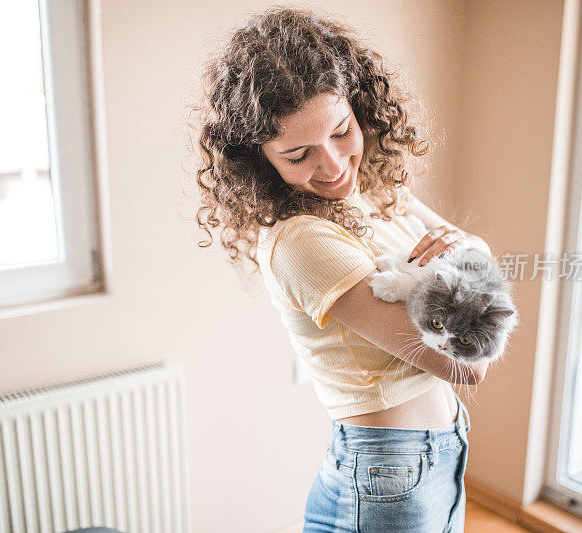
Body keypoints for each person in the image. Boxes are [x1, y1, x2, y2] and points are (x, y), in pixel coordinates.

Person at [192, 7, 492, 532]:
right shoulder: (302, 240)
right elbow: (466, 364)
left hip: (440, 450)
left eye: (341, 131)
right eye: (298, 154)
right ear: (260, 160)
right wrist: (474, 261)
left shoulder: (373, 186)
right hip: (393, 475)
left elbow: (477, 257)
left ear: (358, 108)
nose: (332, 167)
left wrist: (476, 257)